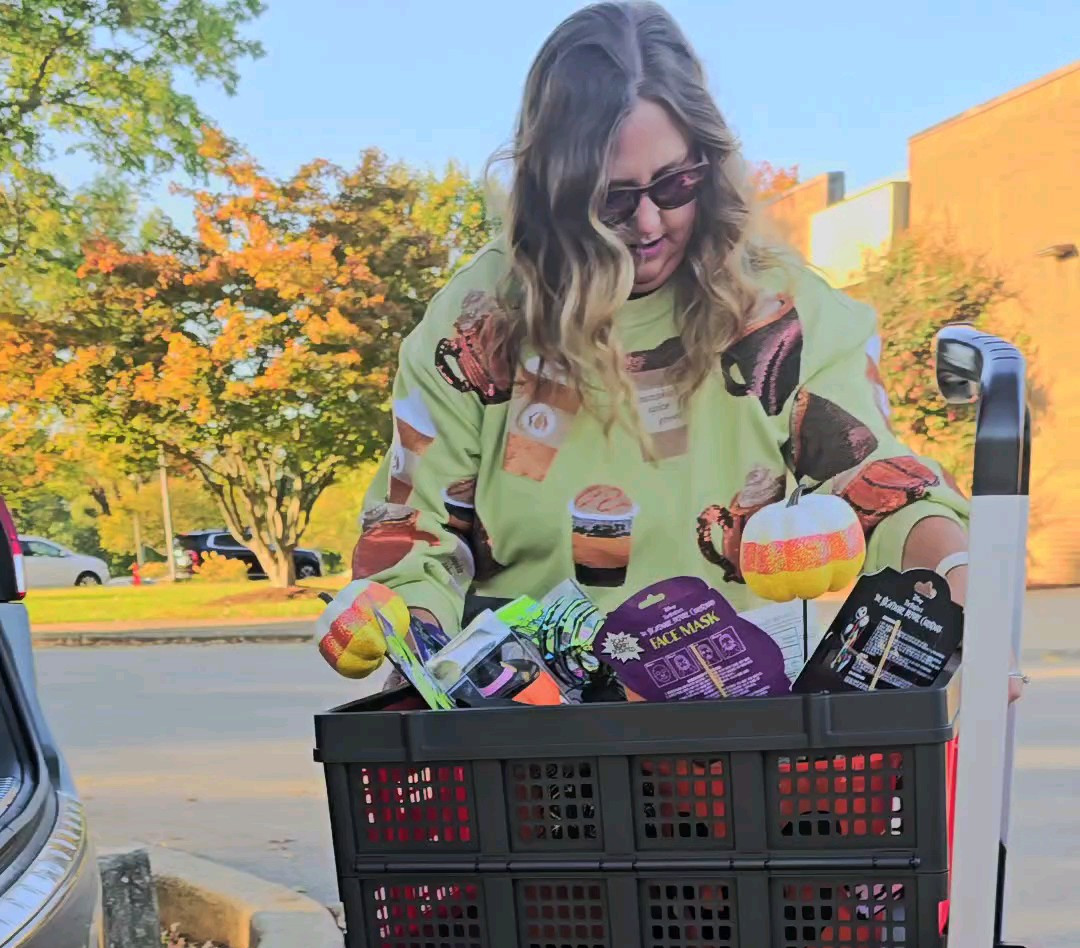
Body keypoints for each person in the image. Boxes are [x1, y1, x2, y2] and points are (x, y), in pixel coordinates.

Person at [318, 0, 970, 680]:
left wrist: (957, 576)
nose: (650, 221)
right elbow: (416, 536)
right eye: (612, 199)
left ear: (709, 167)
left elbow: (879, 488)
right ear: (553, 190)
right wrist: (402, 629)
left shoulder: (779, 311)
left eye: (675, 183)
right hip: (522, 731)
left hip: (730, 712)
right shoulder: (480, 322)